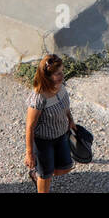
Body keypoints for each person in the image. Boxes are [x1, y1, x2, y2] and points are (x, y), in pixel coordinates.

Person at [25, 54, 76, 193]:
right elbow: (30, 127)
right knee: (46, 175)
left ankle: (39, 173)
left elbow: (64, 106)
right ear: (47, 76)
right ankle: (40, 176)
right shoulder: (39, 97)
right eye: (57, 74)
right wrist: (29, 153)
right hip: (43, 141)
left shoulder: (61, 87)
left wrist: (70, 119)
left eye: (62, 72)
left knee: (65, 167)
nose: (62, 76)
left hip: (61, 136)